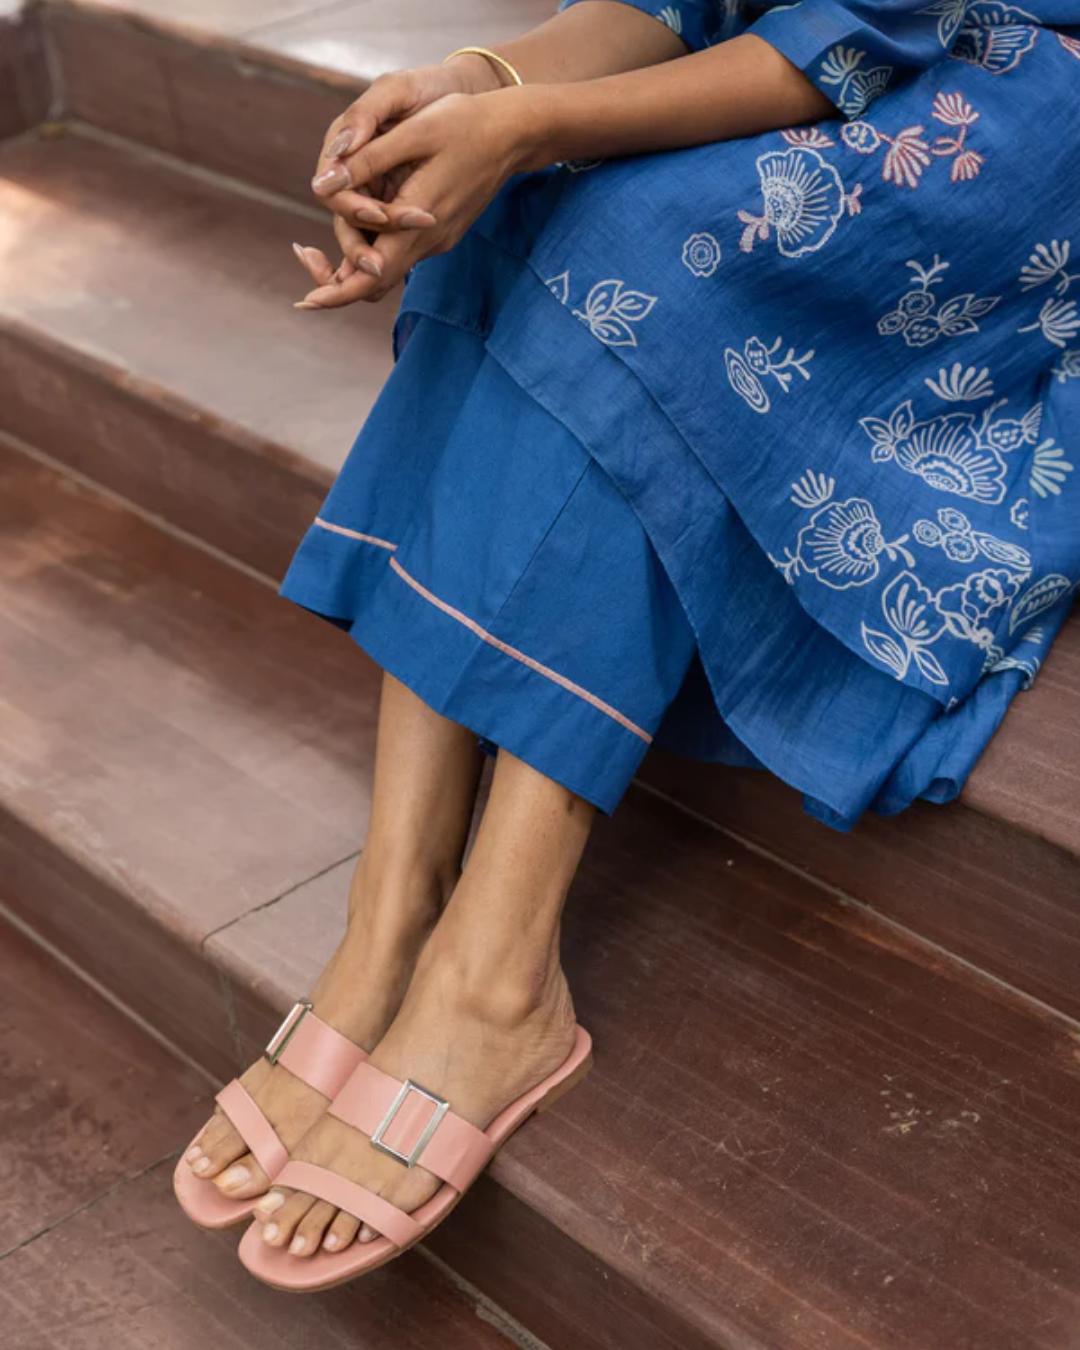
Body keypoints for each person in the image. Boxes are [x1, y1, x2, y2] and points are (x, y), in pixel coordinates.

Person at [175, 0, 1080, 1289]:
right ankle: (391, 920)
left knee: (633, 236)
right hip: (863, 49)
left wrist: (527, 120)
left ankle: (497, 974)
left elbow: (857, 29)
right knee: (503, 208)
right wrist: (469, 90)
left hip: (1028, 94)